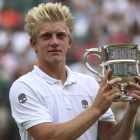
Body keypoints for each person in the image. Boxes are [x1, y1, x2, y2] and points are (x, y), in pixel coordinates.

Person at [9, 2, 140, 140]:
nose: (54, 42)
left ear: (69, 42)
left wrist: (132, 110)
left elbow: (112, 136)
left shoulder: (89, 83)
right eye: (46, 36)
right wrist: (95, 110)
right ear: (33, 44)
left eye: (60, 35)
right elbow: (48, 137)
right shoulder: (24, 87)